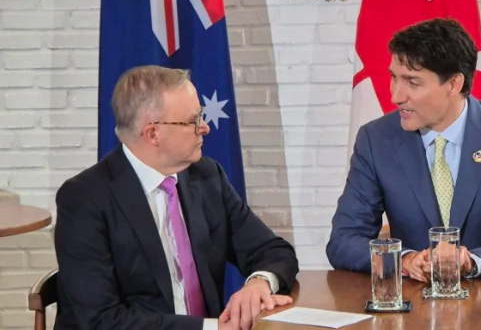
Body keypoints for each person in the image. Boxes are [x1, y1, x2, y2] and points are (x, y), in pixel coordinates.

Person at [54, 66, 300, 330]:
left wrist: (258, 283)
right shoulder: (84, 200)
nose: (204, 128)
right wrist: (212, 328)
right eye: (192, 120)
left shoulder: (207, 177)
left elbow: (274, 251)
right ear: (152, 133)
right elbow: (100, 320)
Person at [327, 18, 481, 279]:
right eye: (394, 78)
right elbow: (344, 240)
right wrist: (404, 260)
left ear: (454, 84)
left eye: (412, 82)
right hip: (412, 306)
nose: (396, 96)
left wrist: (473, 261)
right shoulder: (376, 139)